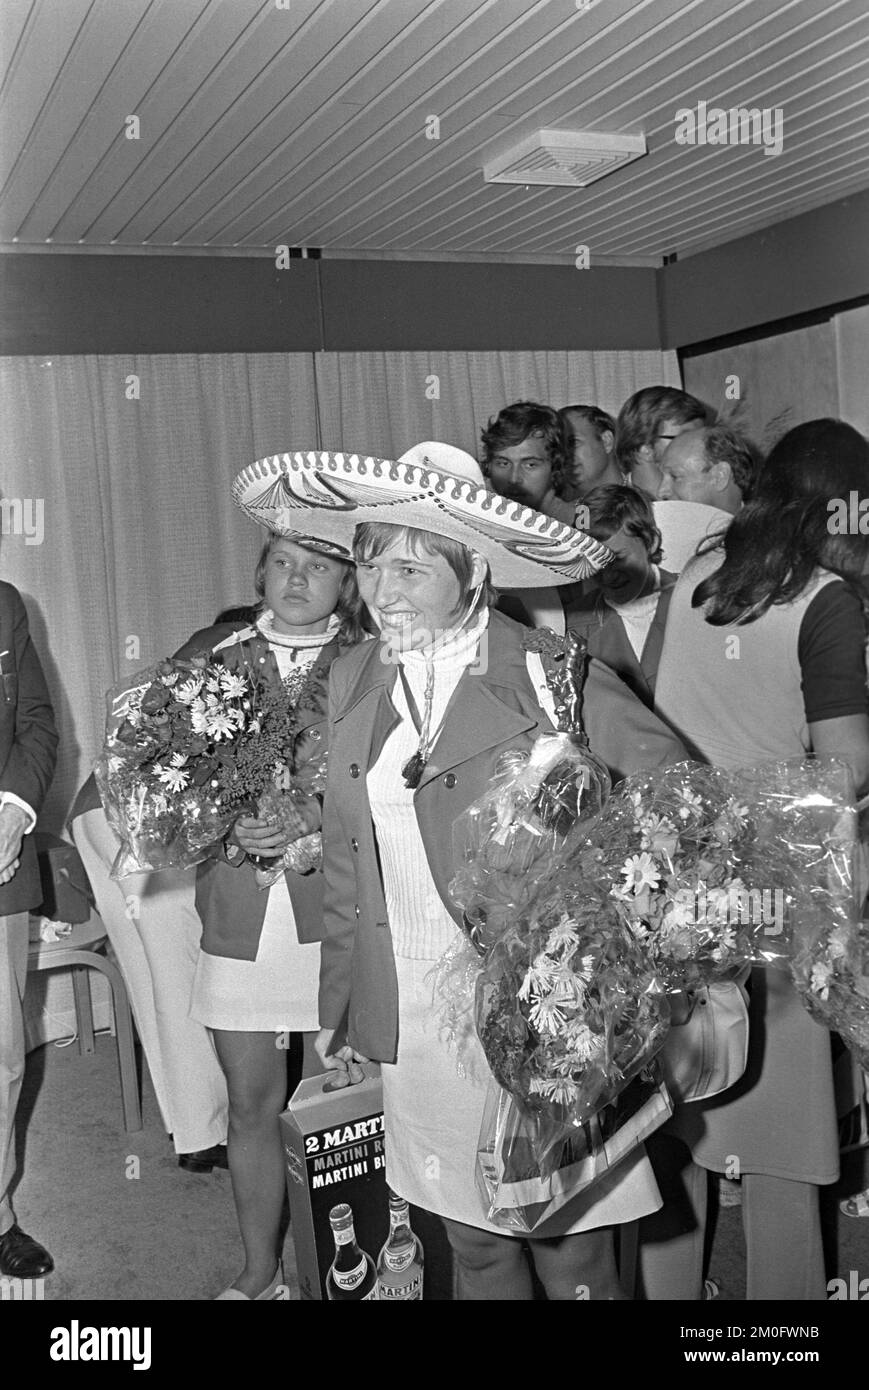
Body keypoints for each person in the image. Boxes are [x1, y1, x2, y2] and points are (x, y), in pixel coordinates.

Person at [233, 441, 689, 1300]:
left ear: (474, 572)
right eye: (371, 562)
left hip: (542, 1012)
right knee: (469, 1245)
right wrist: (344, 1003)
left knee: (570, 1250)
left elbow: (677, 805)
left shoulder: (547, 674)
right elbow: (348, 854)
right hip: (410, 1012)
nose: (383, 590)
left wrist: (605, 932)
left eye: (414, 567)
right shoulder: (353, 675)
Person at [639, 418, 869, 1301]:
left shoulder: (687, 582)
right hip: (785, 890)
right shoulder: (821, 599)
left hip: (687, 879)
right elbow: (843, 767)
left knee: (683, 1123)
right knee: (780, 1149)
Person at [189, 531, 364, 1300]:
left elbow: (395, 781)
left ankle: (341, 1275)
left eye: (318, 565)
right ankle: (260, 1274)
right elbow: (163, 777)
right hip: (239, 907)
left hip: (337, 906)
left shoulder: (373, 661)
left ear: (346, 581)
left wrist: (316, 819)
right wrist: (223, 823)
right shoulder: (209, 653)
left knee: (341, 1102)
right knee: (251, 1101)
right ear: (258, 570)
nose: (298, 578)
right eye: (284, 562)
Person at [69, 611, 261, 1174]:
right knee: (178, 962)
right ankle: (205, 1129)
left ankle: (193, 1127)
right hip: (132, 821)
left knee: (157, 971)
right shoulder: (240, 643)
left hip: (102, 817)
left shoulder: (228, 642)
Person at [0, 582, 58, 1281]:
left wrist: (12, 811)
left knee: (4, 1056)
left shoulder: (4, 604)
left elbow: (37, 721)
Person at [563, 486, 676, 709]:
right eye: (595, 562)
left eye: (618, 558)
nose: (608, 574)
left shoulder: (693, 603)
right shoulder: (574, 624)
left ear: (651, 542)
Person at [480, 400, 577, 524]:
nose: (513, 479)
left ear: (555, 466)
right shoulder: (469, 516)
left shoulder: (580, 526)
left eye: (530, 465)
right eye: (503, 463)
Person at [615, 386, 708, 497]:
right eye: (685, 438)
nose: (703, 447)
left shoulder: (705, 502)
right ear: (646, 450)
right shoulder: (613, 510)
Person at [657, 424, 757, 514]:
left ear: (719, 476)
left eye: (675, 476)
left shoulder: (764, 532)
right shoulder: (661, 529)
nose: (661, 492)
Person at [558, 404, 622, 500]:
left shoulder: (644, 503)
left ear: (606, 441)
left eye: (573, 443)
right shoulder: (552, 510)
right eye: (558, 447)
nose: (564, 454)